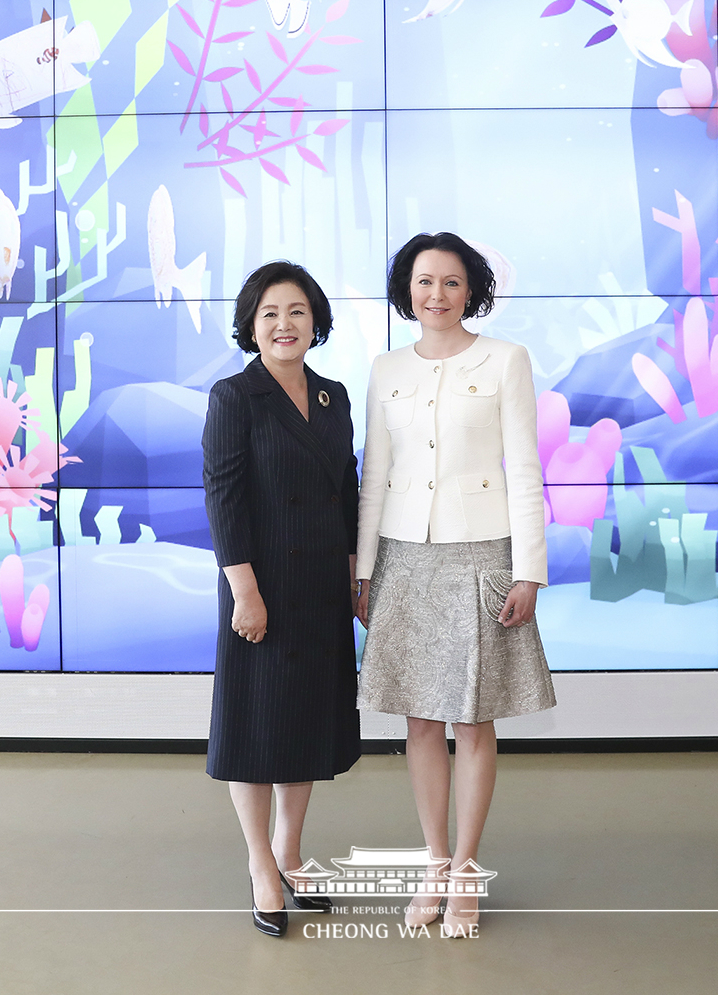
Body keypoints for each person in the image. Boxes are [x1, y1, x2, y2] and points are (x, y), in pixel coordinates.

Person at [355, 232, 555, 936]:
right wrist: (361, 569)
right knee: (418, 719)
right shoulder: (384, 368)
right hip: (403, 557)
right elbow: (373, 474)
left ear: (471, 289)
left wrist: (527, 569)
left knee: (472, 718)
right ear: (404, 290)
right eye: (422, 281)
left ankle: (466, 871)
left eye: (448, 281)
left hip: (481, 552)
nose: (434, 294)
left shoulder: (505, 360)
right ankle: (433, 863)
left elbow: (525, 470)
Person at [203, 261, 360, 938]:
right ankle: (259, 862)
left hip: (323, 586)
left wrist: (356, 577)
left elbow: (347, 494)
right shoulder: (235, 396)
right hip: (260, 587)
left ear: (314, 322)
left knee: (304, 724)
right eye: (269, 313)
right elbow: (224, 498)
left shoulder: (333, 396)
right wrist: (245, 592)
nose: (283, 324)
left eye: (296, 311)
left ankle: (292, 851)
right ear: (250, 325)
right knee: (256, 726)